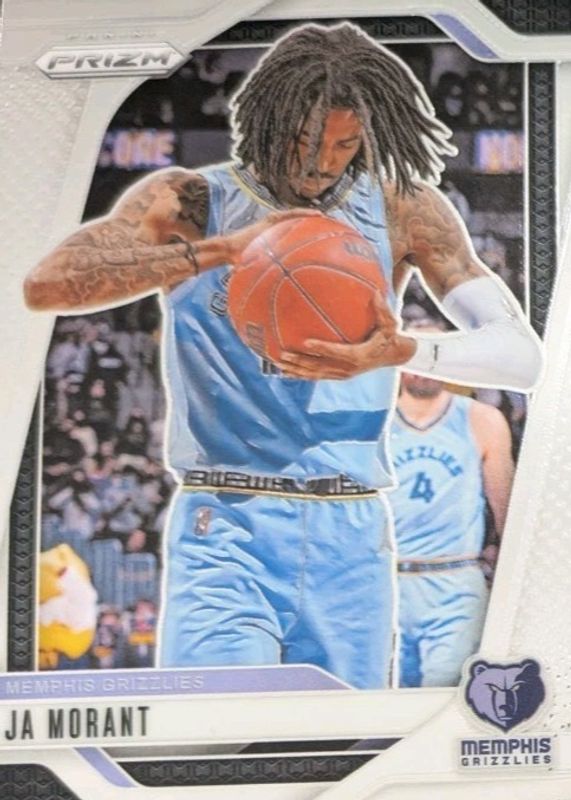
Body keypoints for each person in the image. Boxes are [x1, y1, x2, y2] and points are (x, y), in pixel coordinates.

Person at [24, 22, 542, 690]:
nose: (322, 164)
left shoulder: (401, 208)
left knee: (337, 743)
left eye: (344, 144)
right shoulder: (192, 200)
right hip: (228, 520)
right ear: (267, 122)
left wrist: (402, 350)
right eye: (304, 141)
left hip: (353, 530)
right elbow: (47, 285)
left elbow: (522, 358)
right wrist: (218, 251)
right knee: (214, 730)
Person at [390, 328, 515, 687]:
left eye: (435, 355)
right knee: (388, 701)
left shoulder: (482, 419)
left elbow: (505, 507)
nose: (424, 368)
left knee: (443, 695)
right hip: (386, 582)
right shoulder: (375, 423)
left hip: (455, 579)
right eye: (415, 355)